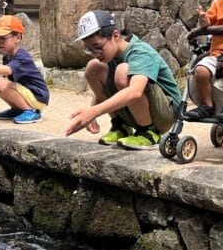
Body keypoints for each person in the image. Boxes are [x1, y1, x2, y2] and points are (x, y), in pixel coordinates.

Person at [64, 9, 181, 150]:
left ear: (115, 35)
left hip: (166, 113)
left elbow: (135, 91)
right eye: (89, 49)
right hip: (139, 110)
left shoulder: (140, 52)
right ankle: (121, 125)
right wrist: (91, 113)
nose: (96, 54)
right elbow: (103, 88)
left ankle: (149, 133)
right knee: (93, 67)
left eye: (98, 47)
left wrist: (94, 111)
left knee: (122, 71)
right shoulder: (111, 55)